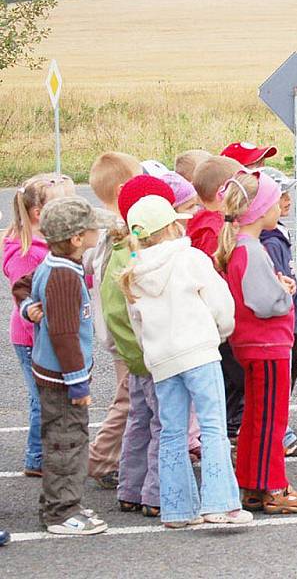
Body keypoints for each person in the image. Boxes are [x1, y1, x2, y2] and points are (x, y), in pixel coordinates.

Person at [119, 195, 252, 527]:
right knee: (212, 427)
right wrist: (221, 332)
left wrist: (152, 351)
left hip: (162, 359)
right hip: (199, 352)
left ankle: (177, 508)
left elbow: (137, 323)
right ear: (171, 226)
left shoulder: (133, 271)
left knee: (171, 432)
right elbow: (220, 302)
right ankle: (221, 503)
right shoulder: (190, 258)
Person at [216, 170, 297, 514]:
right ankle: (275, 486)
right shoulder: (253, 250)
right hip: (267, 345)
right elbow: (266, 303)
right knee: (272, 420)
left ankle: (250, 482)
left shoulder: (241, 248)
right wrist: (285, 292)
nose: (280, 207)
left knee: (255, 419)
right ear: (261, 209)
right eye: (275, 201)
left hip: (252, 345)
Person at [17, 196, 111, 535]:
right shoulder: (64, 278)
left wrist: (28, 306)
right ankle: (61, 512)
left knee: (66, 440)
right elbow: (64, 334)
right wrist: (77, 382)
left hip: (54, 374)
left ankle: (64, 502)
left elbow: (21, 287)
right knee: (66, 443)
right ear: (76, 239)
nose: (96, 233)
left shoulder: (54, 266)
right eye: (92, 230)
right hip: (61, 378)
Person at [109, 175, 177, 518]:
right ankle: (155, 493)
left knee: (139, 421)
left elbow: (113, 310)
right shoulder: (148, 264)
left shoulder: (118, 254)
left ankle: (130, 488)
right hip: (154, 355)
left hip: (134, 356)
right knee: (162, 424)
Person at [3, 174, 75, 478]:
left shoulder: (44, 246)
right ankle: (37, 457)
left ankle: (46, 453)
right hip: (32, 338)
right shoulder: (24, 253)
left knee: (50, 398)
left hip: (46, 336)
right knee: (41, 399)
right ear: (38, 214)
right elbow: (25, 300)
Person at [85, 151, 143, 489]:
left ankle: (114, 455)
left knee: (129, 394)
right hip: (122, 331)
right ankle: (101, 458)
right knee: (127, 397)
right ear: (124, 189)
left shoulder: (105, 231)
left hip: (115, 329)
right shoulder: (116, 233)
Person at [186, 155, 248, 451]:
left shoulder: (198, 222)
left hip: (206, 319)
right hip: (219, 317)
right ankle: (228, 429)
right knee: (232, 378)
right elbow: (218, 274)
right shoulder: (214, 229)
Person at [258, 167, 297, 457]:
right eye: (280, 195)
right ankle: (280, 434)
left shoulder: (276, 234)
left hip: (290, 321)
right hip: (282, 325)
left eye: (288, 194)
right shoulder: (268, 242)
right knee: (275, 386)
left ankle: (280, 429)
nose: (287, 200)